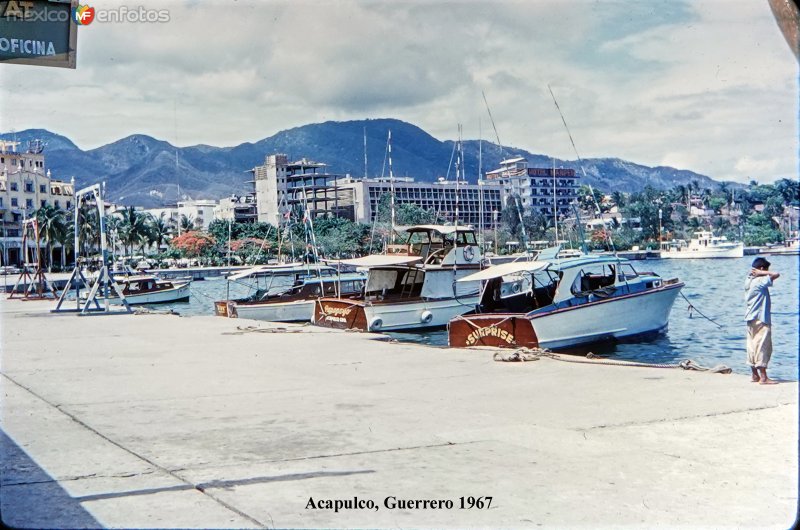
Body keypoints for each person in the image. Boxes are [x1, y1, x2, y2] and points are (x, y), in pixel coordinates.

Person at [744, 257, 780, 384]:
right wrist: (763, 273)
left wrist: (757, 272)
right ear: (761, 269)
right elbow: (777, 274)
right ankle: (763, 377)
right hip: (761, 318)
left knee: (752, 346)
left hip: (750, 317)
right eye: (766, 269)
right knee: (762, 346)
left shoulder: (748, 280)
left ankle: (754, 375)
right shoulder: (760, 280)